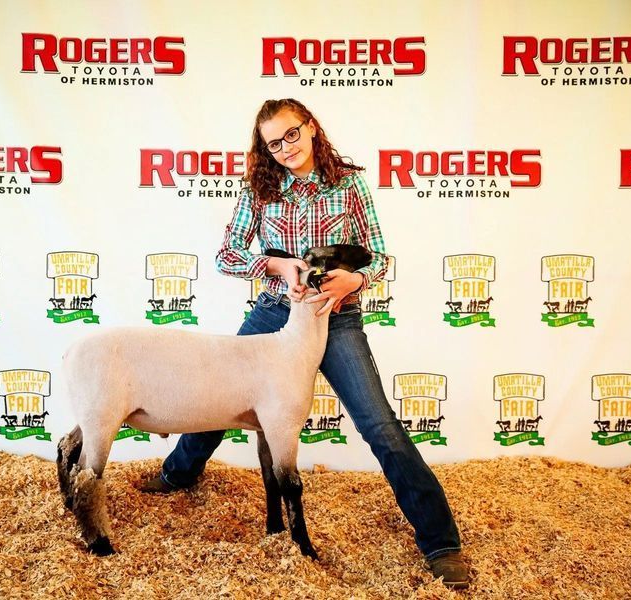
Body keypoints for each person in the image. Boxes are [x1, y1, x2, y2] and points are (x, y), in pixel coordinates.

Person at [141, 98, 469, 589]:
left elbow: (379, 256)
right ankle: (179, 474)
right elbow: (227, 255)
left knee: (379, 424)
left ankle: (441, 543)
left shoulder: (349, 183)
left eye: (292, 134)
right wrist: (275, 265)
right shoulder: (259, 188)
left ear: (311, 127)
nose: (286, 148)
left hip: (336, 318)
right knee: (218, 397)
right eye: (273, 143)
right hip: (276, 314)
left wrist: (355, 280)